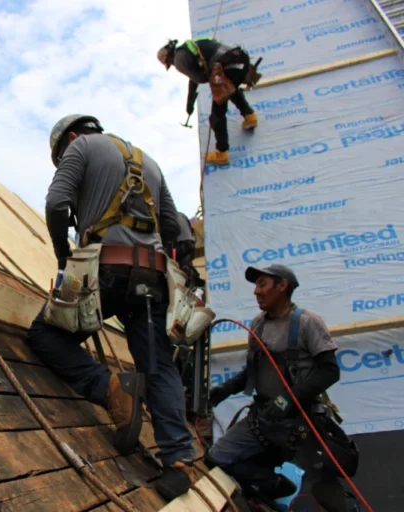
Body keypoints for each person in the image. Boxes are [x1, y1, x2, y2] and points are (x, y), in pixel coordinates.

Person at [26, 114, 197, 501]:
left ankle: (110, 388)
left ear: (71, 137)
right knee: (159, 365)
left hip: (106, 272)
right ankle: (179, 463)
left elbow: (56, 203)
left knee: (46, 334)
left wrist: (63, 254)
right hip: (153, 279)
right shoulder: (150, 162)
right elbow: (171, 228)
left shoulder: (81, 147)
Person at [206, 264, 357, 511]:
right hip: (263, 419)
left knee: (326, 491)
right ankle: (274, 485)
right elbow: (253, 372)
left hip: (301, 423)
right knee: (217, 457)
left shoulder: (308, 322)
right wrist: (224, 390)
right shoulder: (257, 324)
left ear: (282, 286)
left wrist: (288, 398)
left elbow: (330, 371)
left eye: (262, 284)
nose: (256, 291)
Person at [157, 37, 259, 166]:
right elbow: (193, 78)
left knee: (217, 114)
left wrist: (206, 76)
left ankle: (221, 153)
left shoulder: (178, 60)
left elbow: (200, 78)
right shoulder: (189, 48)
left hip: (224, 67)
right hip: (240, 59)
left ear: (169, 59)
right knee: (230, 89)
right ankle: (249, 116)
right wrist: (190, 101)